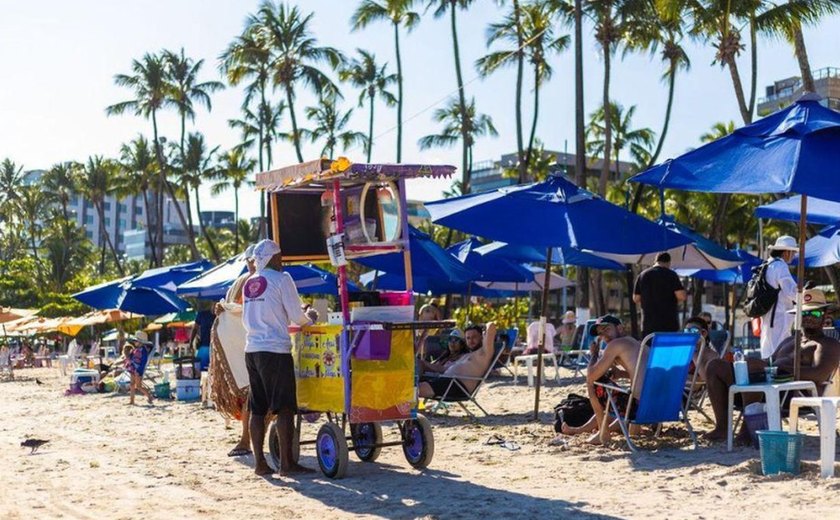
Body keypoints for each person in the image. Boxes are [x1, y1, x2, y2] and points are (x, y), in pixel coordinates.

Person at [703, 288, 840, 442]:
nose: (808, 317)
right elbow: (769, 361)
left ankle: (747, 430)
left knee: (756, 369)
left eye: (814, 313)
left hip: (794, 392)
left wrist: (774, 369)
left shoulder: (828, 344)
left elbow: (819, 373)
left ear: (825, 315)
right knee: (715, 366)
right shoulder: (790, 340)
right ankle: (722, 428)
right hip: (768, 385)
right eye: (804, 313)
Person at [242, 239, 312, 476]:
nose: (282, 261)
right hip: (275, 350)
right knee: (284, 408)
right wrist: (309, 317)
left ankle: (260, 463)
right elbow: (296, 316)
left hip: (252, 350)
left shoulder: (249, 282)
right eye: (280, 257)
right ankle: (286, 464)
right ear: (273, 258)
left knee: (258, 408)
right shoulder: (282, 279)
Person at [563, 316, 646, 444]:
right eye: (601, 334)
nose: (604, 336)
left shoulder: (615, 344)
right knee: (629, 392)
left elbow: (591, 376)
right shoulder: (638, 344)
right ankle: (583, 430)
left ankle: (603, 433)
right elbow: (644, 376)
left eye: (607, 329)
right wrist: (621, 374)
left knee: (593, 383)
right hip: (662, 405)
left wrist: (594, 354)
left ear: (619, 328)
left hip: (638, 409)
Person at [212, 244, 256, 458]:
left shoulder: (245, 281)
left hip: (246, 343)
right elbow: (238, 310)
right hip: (247, 344)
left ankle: (247, 439)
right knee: (251, 392)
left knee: (251, 393)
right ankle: (245, 439)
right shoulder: (248, 282)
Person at [419, 322, 496, 399]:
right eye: (468, 338)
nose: (471, 340)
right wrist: (424, 364)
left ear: (482, 337)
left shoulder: (484, 353)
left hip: (457, 386)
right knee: (412, 383)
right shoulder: (466, 356)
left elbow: (491, 326)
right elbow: (444, 369)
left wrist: (483, 327)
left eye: (474, 337)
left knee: (415, 389)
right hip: (446, 381)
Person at [758, 236, 798, 360]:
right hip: (779, 314)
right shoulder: (781, 266)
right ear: (786, 252)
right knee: (781, 350)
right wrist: (804, 295)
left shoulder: (768, 264)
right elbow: (791, 291)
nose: (794, 255)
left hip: (769, 314)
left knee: (768, 347)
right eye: (793, 252)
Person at [633, 252, 687, 338]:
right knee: (668, 349)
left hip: (648, 323)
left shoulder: (643, 275)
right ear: (669, 262)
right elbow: (681, 296)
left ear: (655, 261)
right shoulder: (671, 275)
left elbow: (636, 298)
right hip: (668, 323)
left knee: (649, 349)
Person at [124, 331, 154, 405]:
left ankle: (149, 396)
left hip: (138, 370)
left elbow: (143, 362)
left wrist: (139, 370)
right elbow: (131, 357)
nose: (134, 342)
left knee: (138, 386)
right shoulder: (135, 349)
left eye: (136, 341)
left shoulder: (143, 351)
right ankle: (132, 400)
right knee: (132, 384)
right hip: (132, 368)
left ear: (141, 342)